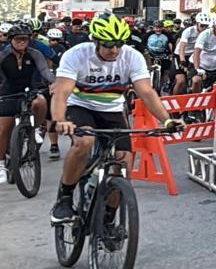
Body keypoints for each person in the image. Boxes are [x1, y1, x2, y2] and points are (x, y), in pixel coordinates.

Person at [49, 15, 181, 223]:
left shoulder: (132, 57)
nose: (114, 50)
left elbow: (146, 93)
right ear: (95, 41)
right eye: (109, 45)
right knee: (85, 142)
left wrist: (167, 121)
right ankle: (64, 199)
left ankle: (109, 220)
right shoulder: (75, 55)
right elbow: (62, 92)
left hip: (112, 110)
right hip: (81, 106)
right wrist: (59, 120)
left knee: (123, 164)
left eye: (119, 44)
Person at [0, 24, 55, 182]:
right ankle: (2, 164)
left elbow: (45, 71)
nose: (21, 42)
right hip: (7, 93)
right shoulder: (3, 56)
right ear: (10, 40)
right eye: (18, 39)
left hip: (28, 90)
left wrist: (56, 83)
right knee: (3, 130)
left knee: (41, 101)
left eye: (25, 39)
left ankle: (35, 130)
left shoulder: (35, 54)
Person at [173, 13, 211, 96]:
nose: (204, 28)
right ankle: (175, 100)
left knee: (197, 79)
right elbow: (182, 46)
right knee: (181, 81)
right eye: (202, 25)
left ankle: (194, 99)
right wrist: (182, 61)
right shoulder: (188, 31)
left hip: (193, 56)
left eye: (206, 26)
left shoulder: (207, 33)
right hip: (180, 54)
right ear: (196, 23)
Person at [146, 22, 175, 94]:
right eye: (156, 28)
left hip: (164, 55)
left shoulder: (167, 34)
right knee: (148, 69)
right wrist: (145, 52)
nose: (158, 29)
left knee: (165, 71)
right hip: (151, 54)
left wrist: (171, 53)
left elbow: (172, 43)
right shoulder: (149, 34)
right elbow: (143, 43)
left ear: (162, 28)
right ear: (153, 28)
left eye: (160, 27)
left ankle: (162, 85)